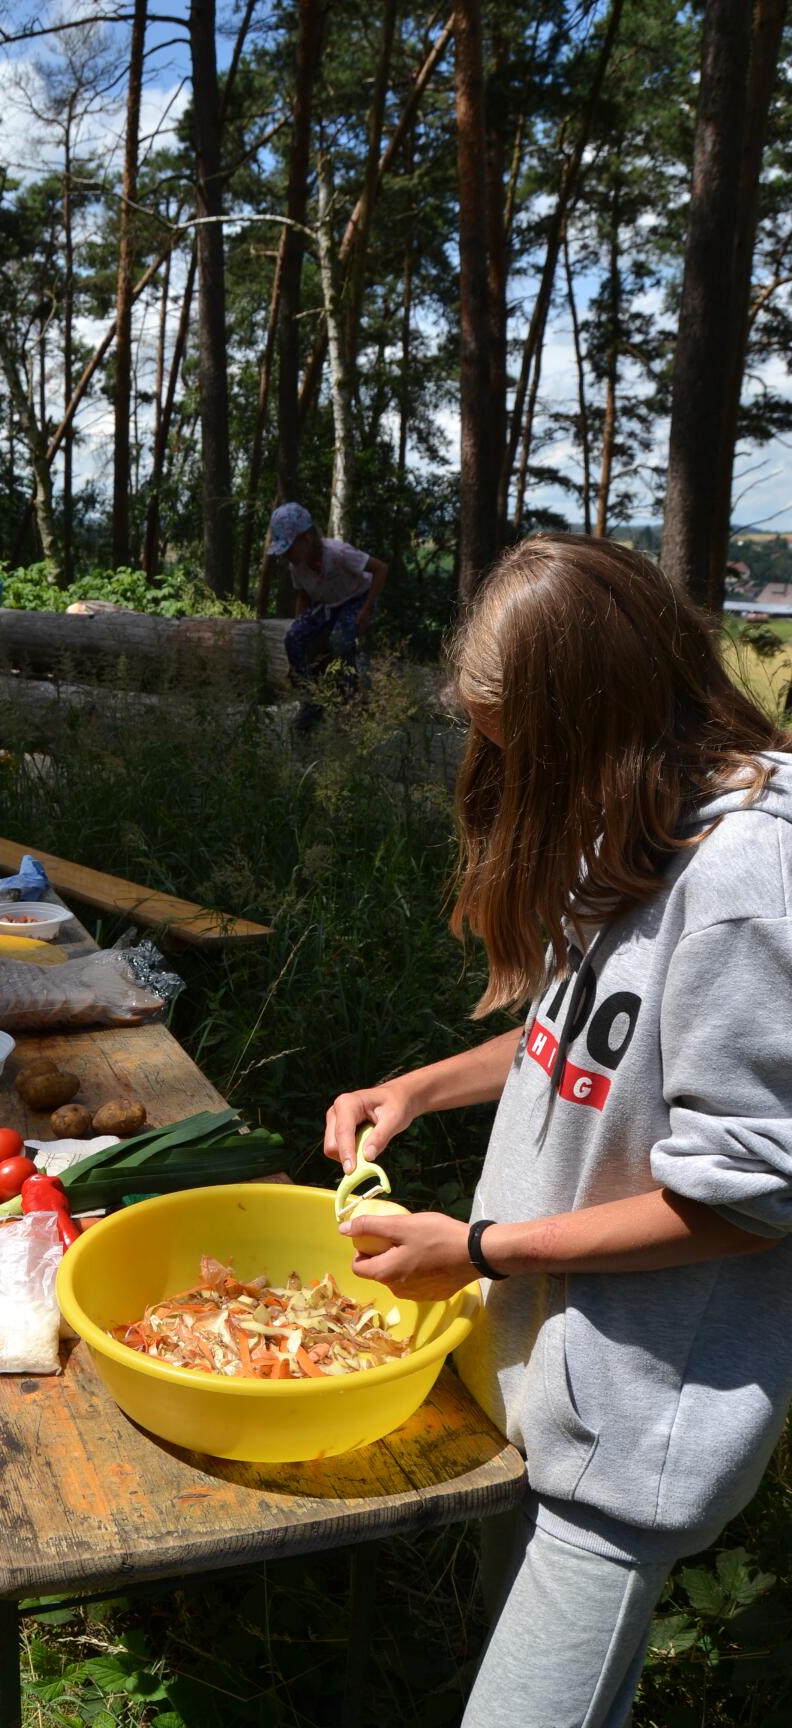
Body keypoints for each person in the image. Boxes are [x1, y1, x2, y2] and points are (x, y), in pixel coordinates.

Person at [323, 533, 792, 1728]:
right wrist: (421, 1087)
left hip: (635, 1417)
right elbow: (584, 1035)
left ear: (596, 716)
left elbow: (744, 1196)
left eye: (516, 738)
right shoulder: (635, 810)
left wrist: (474, 1251)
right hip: (544, 1377)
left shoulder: (746, 877)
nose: (503, 764)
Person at [265, 502, 388, 731]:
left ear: (307, 540)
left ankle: (351, 701)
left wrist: (367, 610)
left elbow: (381, 569)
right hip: (328, 605)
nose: (286, 556)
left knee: (339, 641)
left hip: (357, 599)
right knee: (293, 637)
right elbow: (303, 597)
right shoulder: (297, 566)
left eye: (289, 549)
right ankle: (311, 701)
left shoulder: (339, 553)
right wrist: (299, 627)